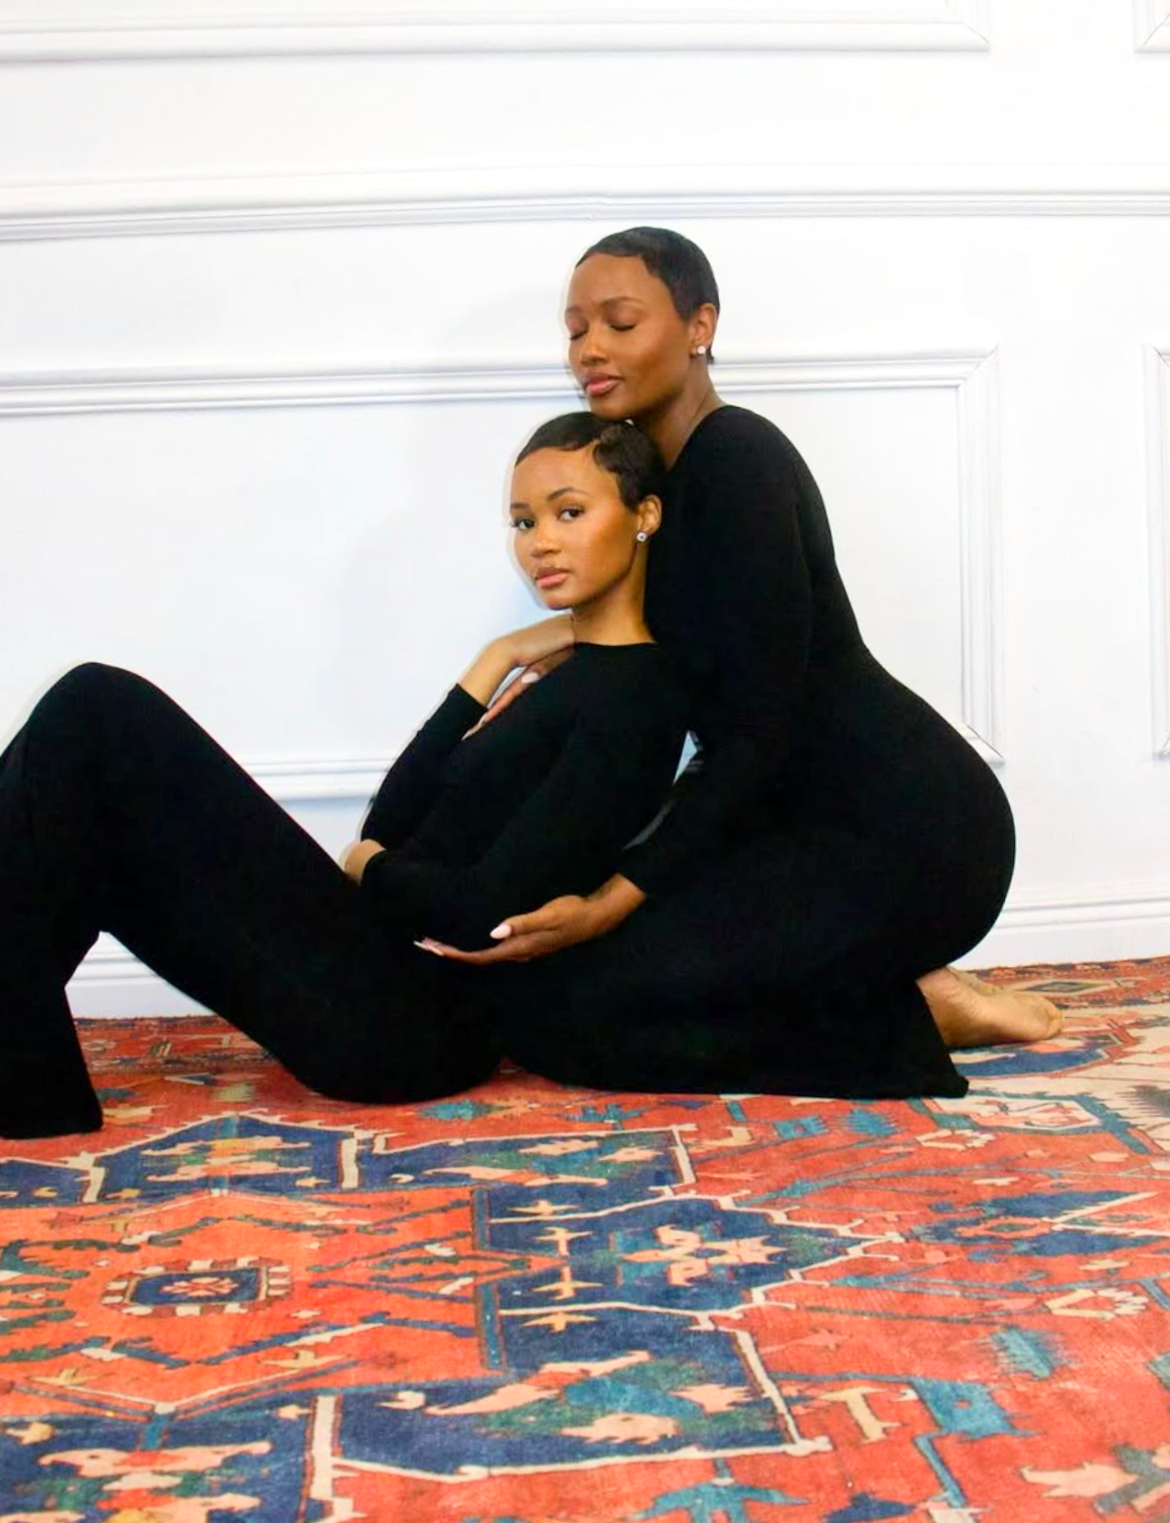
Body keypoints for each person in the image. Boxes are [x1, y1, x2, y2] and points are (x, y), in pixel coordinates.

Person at [426, 227, 1062, 1101]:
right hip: (784, 822)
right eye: (576, 330)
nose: (590, 350)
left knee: (573, 1018)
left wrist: (618, 896)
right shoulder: (657, 489)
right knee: (549, 1001)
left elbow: (762, 723)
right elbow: (684, 645)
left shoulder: (738, 457)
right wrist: (540, 647)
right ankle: (885, 993)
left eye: (619, 321)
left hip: (907, 833)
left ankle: (915, 1016)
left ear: (699, 325)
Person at [0, 415, 688, 1139]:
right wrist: (495, 660)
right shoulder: (559, 676)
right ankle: (25, 1084)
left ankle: (24, 1085)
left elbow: (485, 914)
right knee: (79, 784)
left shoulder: (636, 699)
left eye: (568, 511)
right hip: (377, 971)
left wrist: (370, 871)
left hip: (412, 1025)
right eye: (523, 521)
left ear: (644, 514)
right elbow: (389, 820)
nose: (539, 541)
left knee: (98, 707)